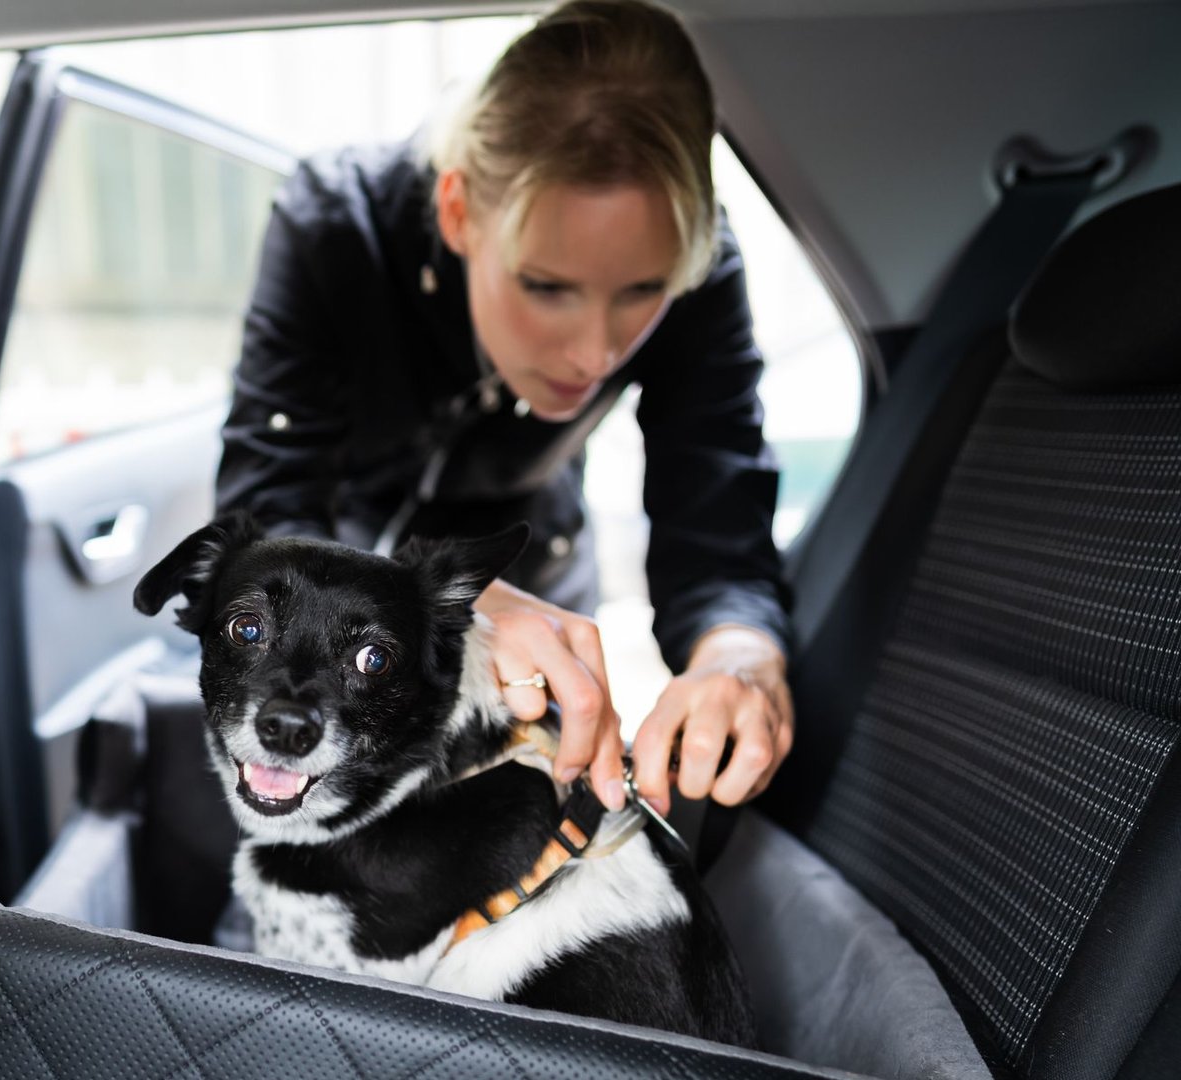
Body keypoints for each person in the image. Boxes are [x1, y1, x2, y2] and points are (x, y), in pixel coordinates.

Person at [215, 0, 794, 817]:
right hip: (331, 593)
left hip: (536, 572)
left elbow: (718, 526)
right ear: (458, 212)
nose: (596, 353)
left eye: (643, 291)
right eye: (547, 287)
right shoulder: (336, 227)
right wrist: (437, 609)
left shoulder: (700, 268)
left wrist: (739, 658)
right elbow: (266, 506)